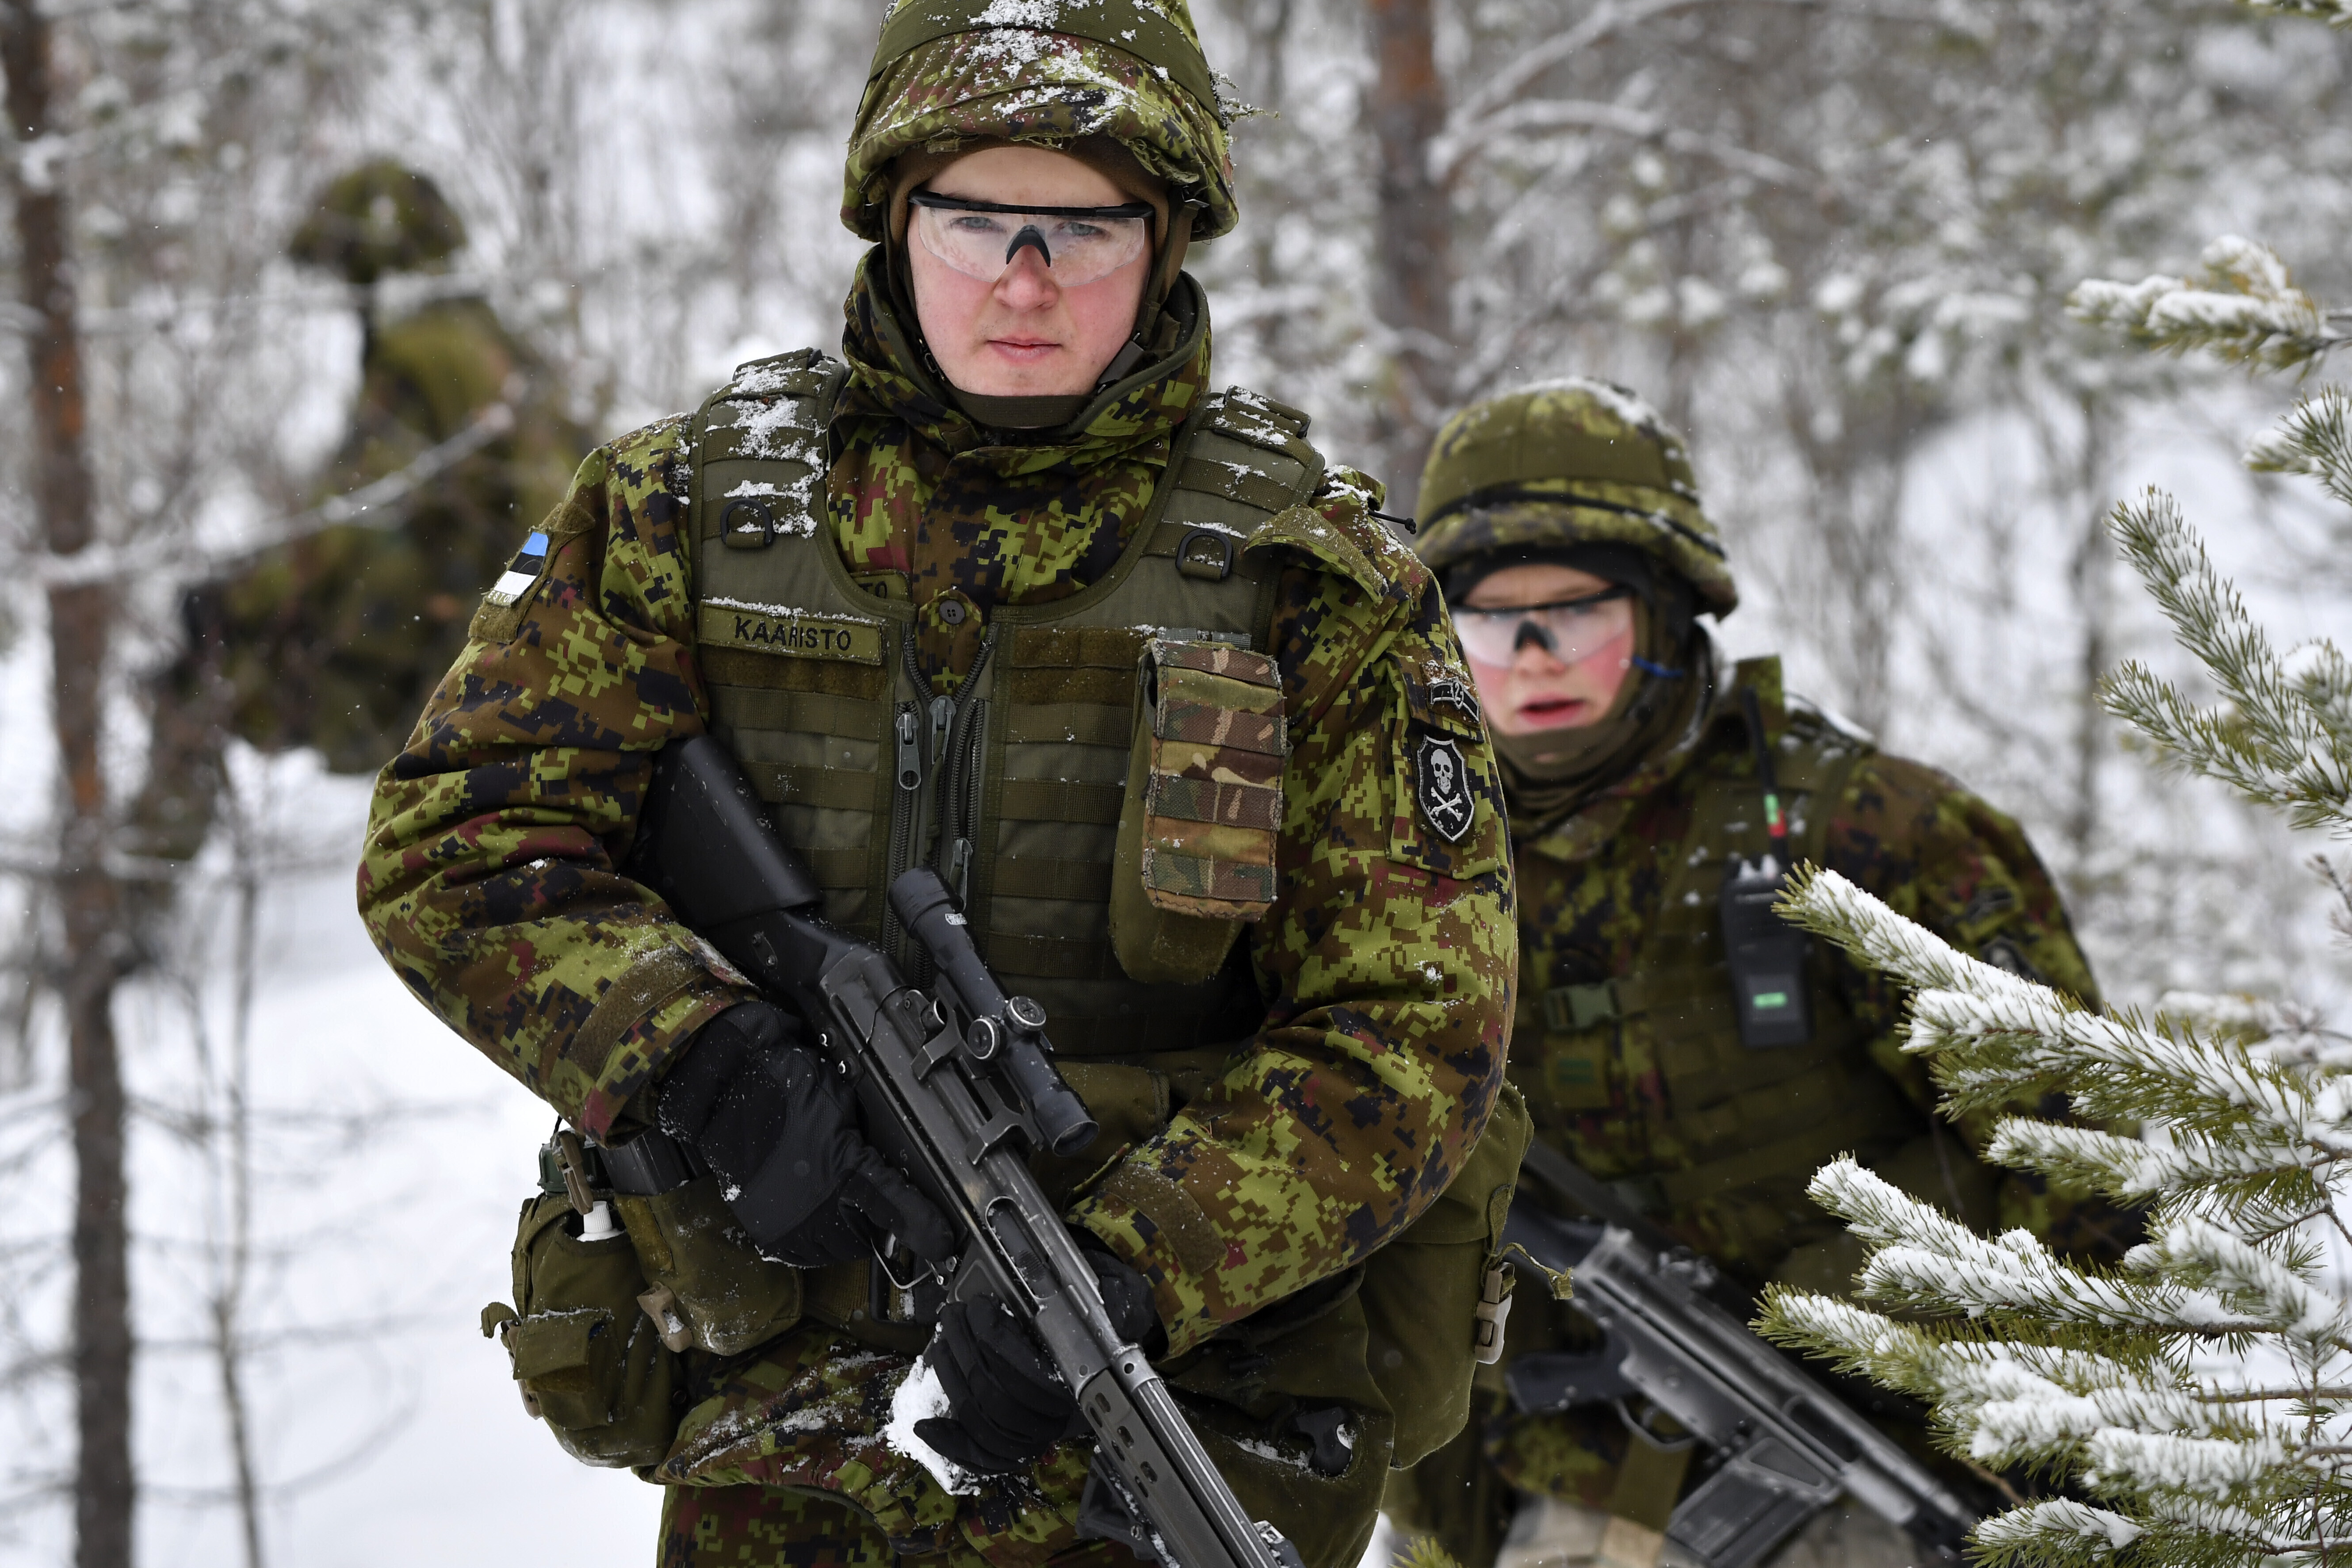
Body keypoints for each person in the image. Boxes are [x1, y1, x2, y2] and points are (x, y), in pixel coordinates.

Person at [356, 5, 1515, 1567]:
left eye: (1083, 228)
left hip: (1174, 1422)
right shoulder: (683, 511)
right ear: (896, 220)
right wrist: (698, 1054)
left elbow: (1419, 1023)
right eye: (976, 221)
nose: (1025, 280)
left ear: (1167, 241)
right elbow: (455, 840)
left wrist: (1144, 1260)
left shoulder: (1312, 579)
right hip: (784, 1449)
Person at [1383, 381, 2134, 1568]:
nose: (1532, 659)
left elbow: (2086, 1166)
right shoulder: (1409, 862)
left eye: (1577, 614)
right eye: (1491, 622)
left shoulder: (1867, 832)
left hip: (1898, 1469)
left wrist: (1867, 1304)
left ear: (1667, 611)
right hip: (1571, 1497)